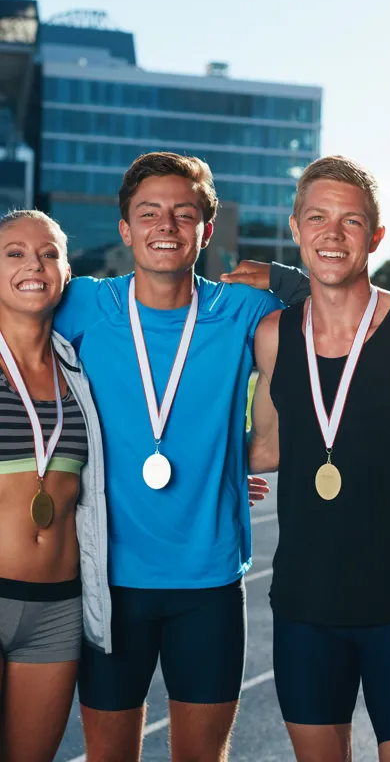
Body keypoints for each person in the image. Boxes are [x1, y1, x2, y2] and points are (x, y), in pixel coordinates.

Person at [41, 151, 282, 762]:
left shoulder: (244, 310)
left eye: (184, 213)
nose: (166, 226)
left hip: (210, 580)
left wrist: (285, 277)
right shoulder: (83, 305)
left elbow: (338, 308)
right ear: (126, 230)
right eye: (149, 213)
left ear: (206, 229)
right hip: (109, 580)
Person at [245, 155, 390, 762]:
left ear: (376, 235)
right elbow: (267, 447)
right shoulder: (273, 337)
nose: (333, 234)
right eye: (317, 218)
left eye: (351, 221)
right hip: (304, 610)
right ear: (296, 228)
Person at [0, 210, 109, 762]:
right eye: (14, 254)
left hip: (58, 609)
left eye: (48, 254)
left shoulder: (81, 371)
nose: (33, 265)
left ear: (67, 274)